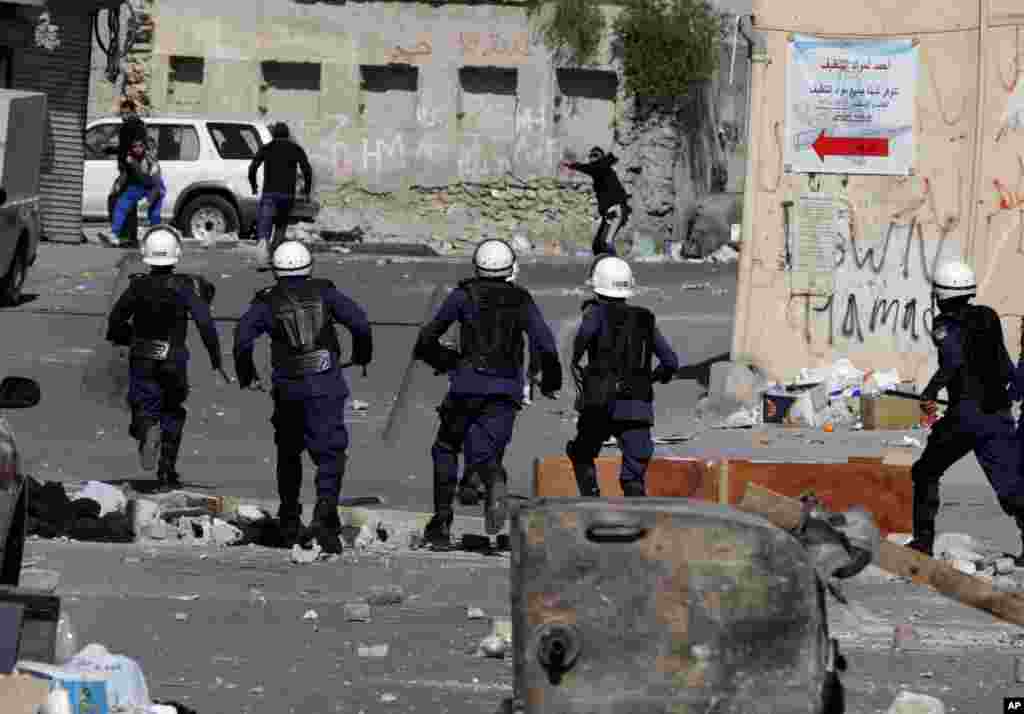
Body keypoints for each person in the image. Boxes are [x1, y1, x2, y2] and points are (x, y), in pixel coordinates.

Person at [414, 238, 562, 548]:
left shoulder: (462, 295)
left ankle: (441, 522)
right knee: (488, 451)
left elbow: (428, 337)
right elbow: (546, 343)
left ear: (477, 266)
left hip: (467, 384)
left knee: (445, 446)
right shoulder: (522, 299)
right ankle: (493, 478)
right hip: (506, 388)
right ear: (511, 268)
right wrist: (551, 381)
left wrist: (446, 362)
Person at [233, 241, 372, 553]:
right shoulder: (326, 292)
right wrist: (362, 355)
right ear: (309, 266)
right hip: (325, 384)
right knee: (331, 453)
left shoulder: (267, 302)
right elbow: (360, 323)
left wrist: (248, 375)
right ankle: (325, 514)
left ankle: (289, 517)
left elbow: (242, 338)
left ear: (276, 270)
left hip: (288, 388)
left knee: (289, 452)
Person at [908, 259, 1022, 559]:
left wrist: (930, 392)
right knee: (1011, 486)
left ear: (939, 293)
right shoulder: (989, 315)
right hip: (998, 413)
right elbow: (1003, 360)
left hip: (965, 417)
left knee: (925, 472)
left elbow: (953, 361)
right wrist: (1013, 389)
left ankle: (922, 542)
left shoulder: (943, 324)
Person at [105, 225, 230, 490]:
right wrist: (216, 360)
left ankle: (148, 428)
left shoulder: (138, 286)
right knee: (173, 411)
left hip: (142, 356)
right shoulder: (185, 287)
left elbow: (116, 318)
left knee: (143, 407)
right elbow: (204, 322)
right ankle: (166, 471)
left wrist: (123, 336)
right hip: (173, 359)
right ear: (176, 255)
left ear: (147, 255)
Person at [566, 256, 679, 497]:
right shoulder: (646, 319)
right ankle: (636, 511)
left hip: (600, 404)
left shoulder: (594, 314)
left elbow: (579, 349)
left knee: (582, 452)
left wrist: (582, 370)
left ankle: (591, 497)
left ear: (597, 286)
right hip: (637, 404)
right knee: (634, 470)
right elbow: (670, 362)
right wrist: (651, 378)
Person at [248, 122, 313, 261]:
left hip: (269, 194)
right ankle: (274, 257)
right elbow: (307, 170)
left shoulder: (267, 148)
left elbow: (252, 167)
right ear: (287, 134)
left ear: (274, 134)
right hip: (287, 195)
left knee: (264, 228)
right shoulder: (295, 148)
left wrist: (254, 186)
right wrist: (307, 190)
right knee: (280, 227)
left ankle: (262, 258)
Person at [562, 146, 632, 257]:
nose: (593, 158)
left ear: (601, 157)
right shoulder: (599, 171)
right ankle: (601, 264)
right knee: (597, 245)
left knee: (606, 242)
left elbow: (588, 167)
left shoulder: (601, 167)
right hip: (609, 213)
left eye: (595, 156)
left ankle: (616, 266)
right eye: (591, 156)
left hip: (616, 211)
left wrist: (571, 165)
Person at [108, 136, 166, 247]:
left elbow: (157, 184)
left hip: (154, 188)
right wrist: (118, 184)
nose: (138, 149)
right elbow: (126, 174)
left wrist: (149, 201)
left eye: (140, 146)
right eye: (135, 146)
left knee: (154, 213)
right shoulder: (131, 158)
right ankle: (114, 233)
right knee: (122, 204)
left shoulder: (151, 162)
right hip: (139, 186)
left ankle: (157, 236)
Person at [106, 99, 147, 245]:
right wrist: (113, 150)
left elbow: (135, 148)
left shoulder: (132, 126)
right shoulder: (137, 125)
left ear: (132, 112)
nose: (123, 116)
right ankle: (130, 236)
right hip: (131, 171)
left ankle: (123, 235)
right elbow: (128, 147)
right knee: (128, 204)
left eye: (126, 113)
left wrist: (126, 169)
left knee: (116, 199)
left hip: (129, 172)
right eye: (122, 113)